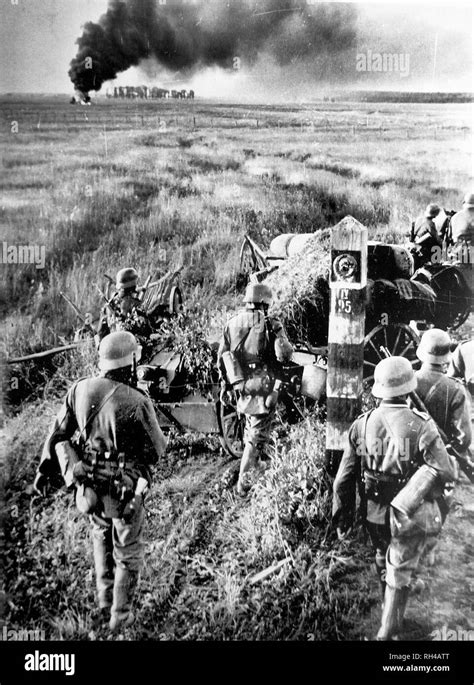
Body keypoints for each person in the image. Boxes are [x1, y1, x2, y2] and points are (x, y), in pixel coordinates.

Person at [34, 331, 167, 631]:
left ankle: (105, 601)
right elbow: (156, 451)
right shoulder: (136, 401)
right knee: (127, 549)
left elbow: (57, 434)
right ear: (129, 362)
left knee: (100, 537)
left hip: (90, 485)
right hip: (124, 488)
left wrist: (46, 474)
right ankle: (121, 616)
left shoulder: (79, 389)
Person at [332, 356, 456, 640]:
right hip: (406, 514)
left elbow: (343, 479)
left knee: (382, 557)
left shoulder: (361, 425)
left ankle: (392, 608)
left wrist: (343, 517)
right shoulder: (420, 425)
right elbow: (446, 471)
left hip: (373, 514)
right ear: (407, 389)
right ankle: (388, 631)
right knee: (399, 568)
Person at [217, 282, 293, 496]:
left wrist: (226, 385)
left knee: (252, 427)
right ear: (265, 303)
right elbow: (284, 354)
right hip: (263, 386)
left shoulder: (231, 323)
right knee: (256, 436)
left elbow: (221, 358)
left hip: (241, 385)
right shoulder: (270, 323)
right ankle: (243, 485)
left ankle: (257, 466)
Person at [97, 268, 153, 350]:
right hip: (127, 347)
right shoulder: (134, 303)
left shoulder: (112, 302)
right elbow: (147, 330)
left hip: (111, 347)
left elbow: (101, 330)